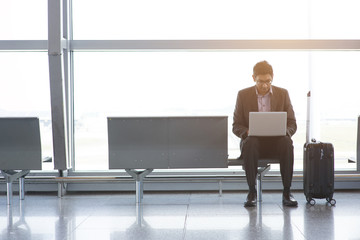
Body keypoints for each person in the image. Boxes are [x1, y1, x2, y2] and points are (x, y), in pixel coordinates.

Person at [232, 60, 298, 207]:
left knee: (287, 142)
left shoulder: (282, 94)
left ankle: (287, 192)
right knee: (250, 142)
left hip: (276, 143)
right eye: (260, 81)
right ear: (253, 78)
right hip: (253, 143)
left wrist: (285, 131)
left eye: (268, 81)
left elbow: (292, 123)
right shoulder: (243, 95)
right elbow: (236, 126)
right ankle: (251, 192)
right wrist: (247, 131)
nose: (264, 85)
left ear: (272, 77)